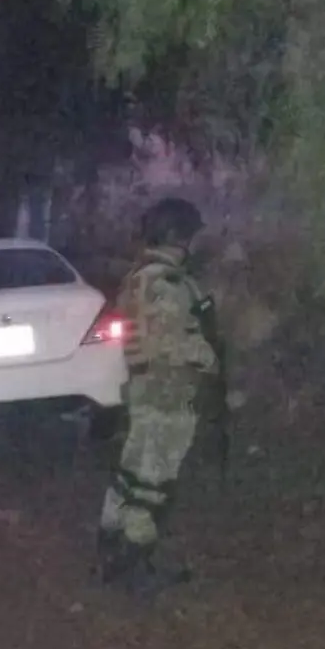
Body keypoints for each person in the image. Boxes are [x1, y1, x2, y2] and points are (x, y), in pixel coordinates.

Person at [96, 197, 221, 598]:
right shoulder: (167, 282)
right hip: (167, 386)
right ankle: (135, 562)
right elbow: (169, 339)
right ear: (178, 236)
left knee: (133, 470)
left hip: (146, 384)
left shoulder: (141, 276)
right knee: (154, 477)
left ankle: (111, 546)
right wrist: (208, 357)